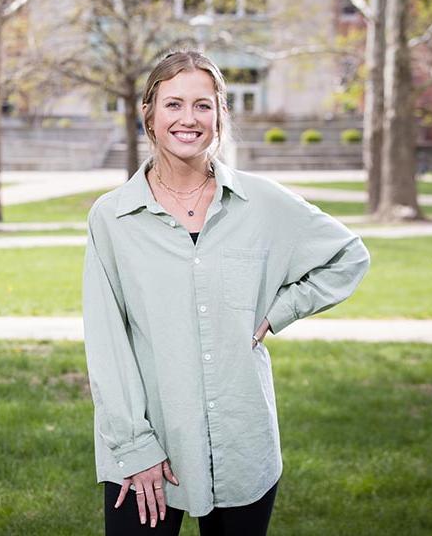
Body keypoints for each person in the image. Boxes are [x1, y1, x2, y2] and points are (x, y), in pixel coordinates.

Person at [82, 51, 371, 535]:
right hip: (147, 445)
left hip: (242, 443)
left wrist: (282, 310)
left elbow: (349, 256)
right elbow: (107, 343)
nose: (188, 119)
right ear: (149, 114)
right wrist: (134, 446)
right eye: (173, 104)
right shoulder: (111, 217)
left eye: (203, 105)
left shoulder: (264, 203)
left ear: (220, 115)